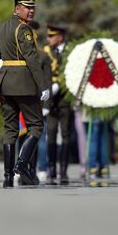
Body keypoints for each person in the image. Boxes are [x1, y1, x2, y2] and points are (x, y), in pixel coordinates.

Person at [0, 0, 50, 187]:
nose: (31, 10)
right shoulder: (23, 29)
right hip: (24, 84)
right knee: (36, 126)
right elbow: (32, 59)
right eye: (26, 7)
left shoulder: (2, 27)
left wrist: (10, 56)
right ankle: (22, 164)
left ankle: (8, 177)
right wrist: (43, 86)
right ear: (17, 9)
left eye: (32, 7)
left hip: (6, 83)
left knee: (10, 130)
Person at [43, 24, 73, 185]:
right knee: (51, 133)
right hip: (51, 100)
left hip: (65, 98)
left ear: (60, 36)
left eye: (52, 36)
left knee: (67, 134)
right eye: (48, 36)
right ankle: (52, 168)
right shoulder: (46, 52)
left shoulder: (70, 51)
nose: (48, 39)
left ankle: (63, 170)